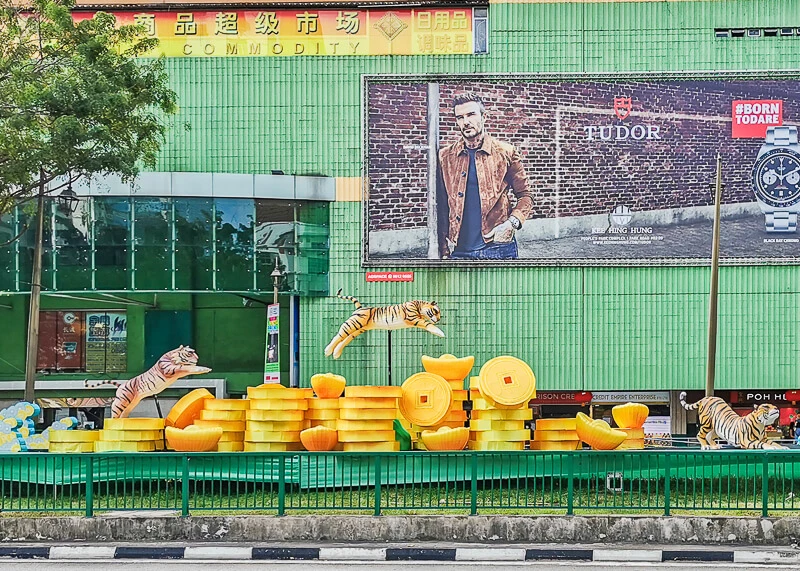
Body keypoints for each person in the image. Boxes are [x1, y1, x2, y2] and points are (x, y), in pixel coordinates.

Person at [438, 92, 533, 260]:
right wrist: (444, 248)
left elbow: (526, 196)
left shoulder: (506, 152)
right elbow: (442, 204)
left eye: (471, 114)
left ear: (484, 117)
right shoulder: (446, 157)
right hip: (459, 250)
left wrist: (512, 224)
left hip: (498, 247)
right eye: (460, 117)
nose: (466, 122)